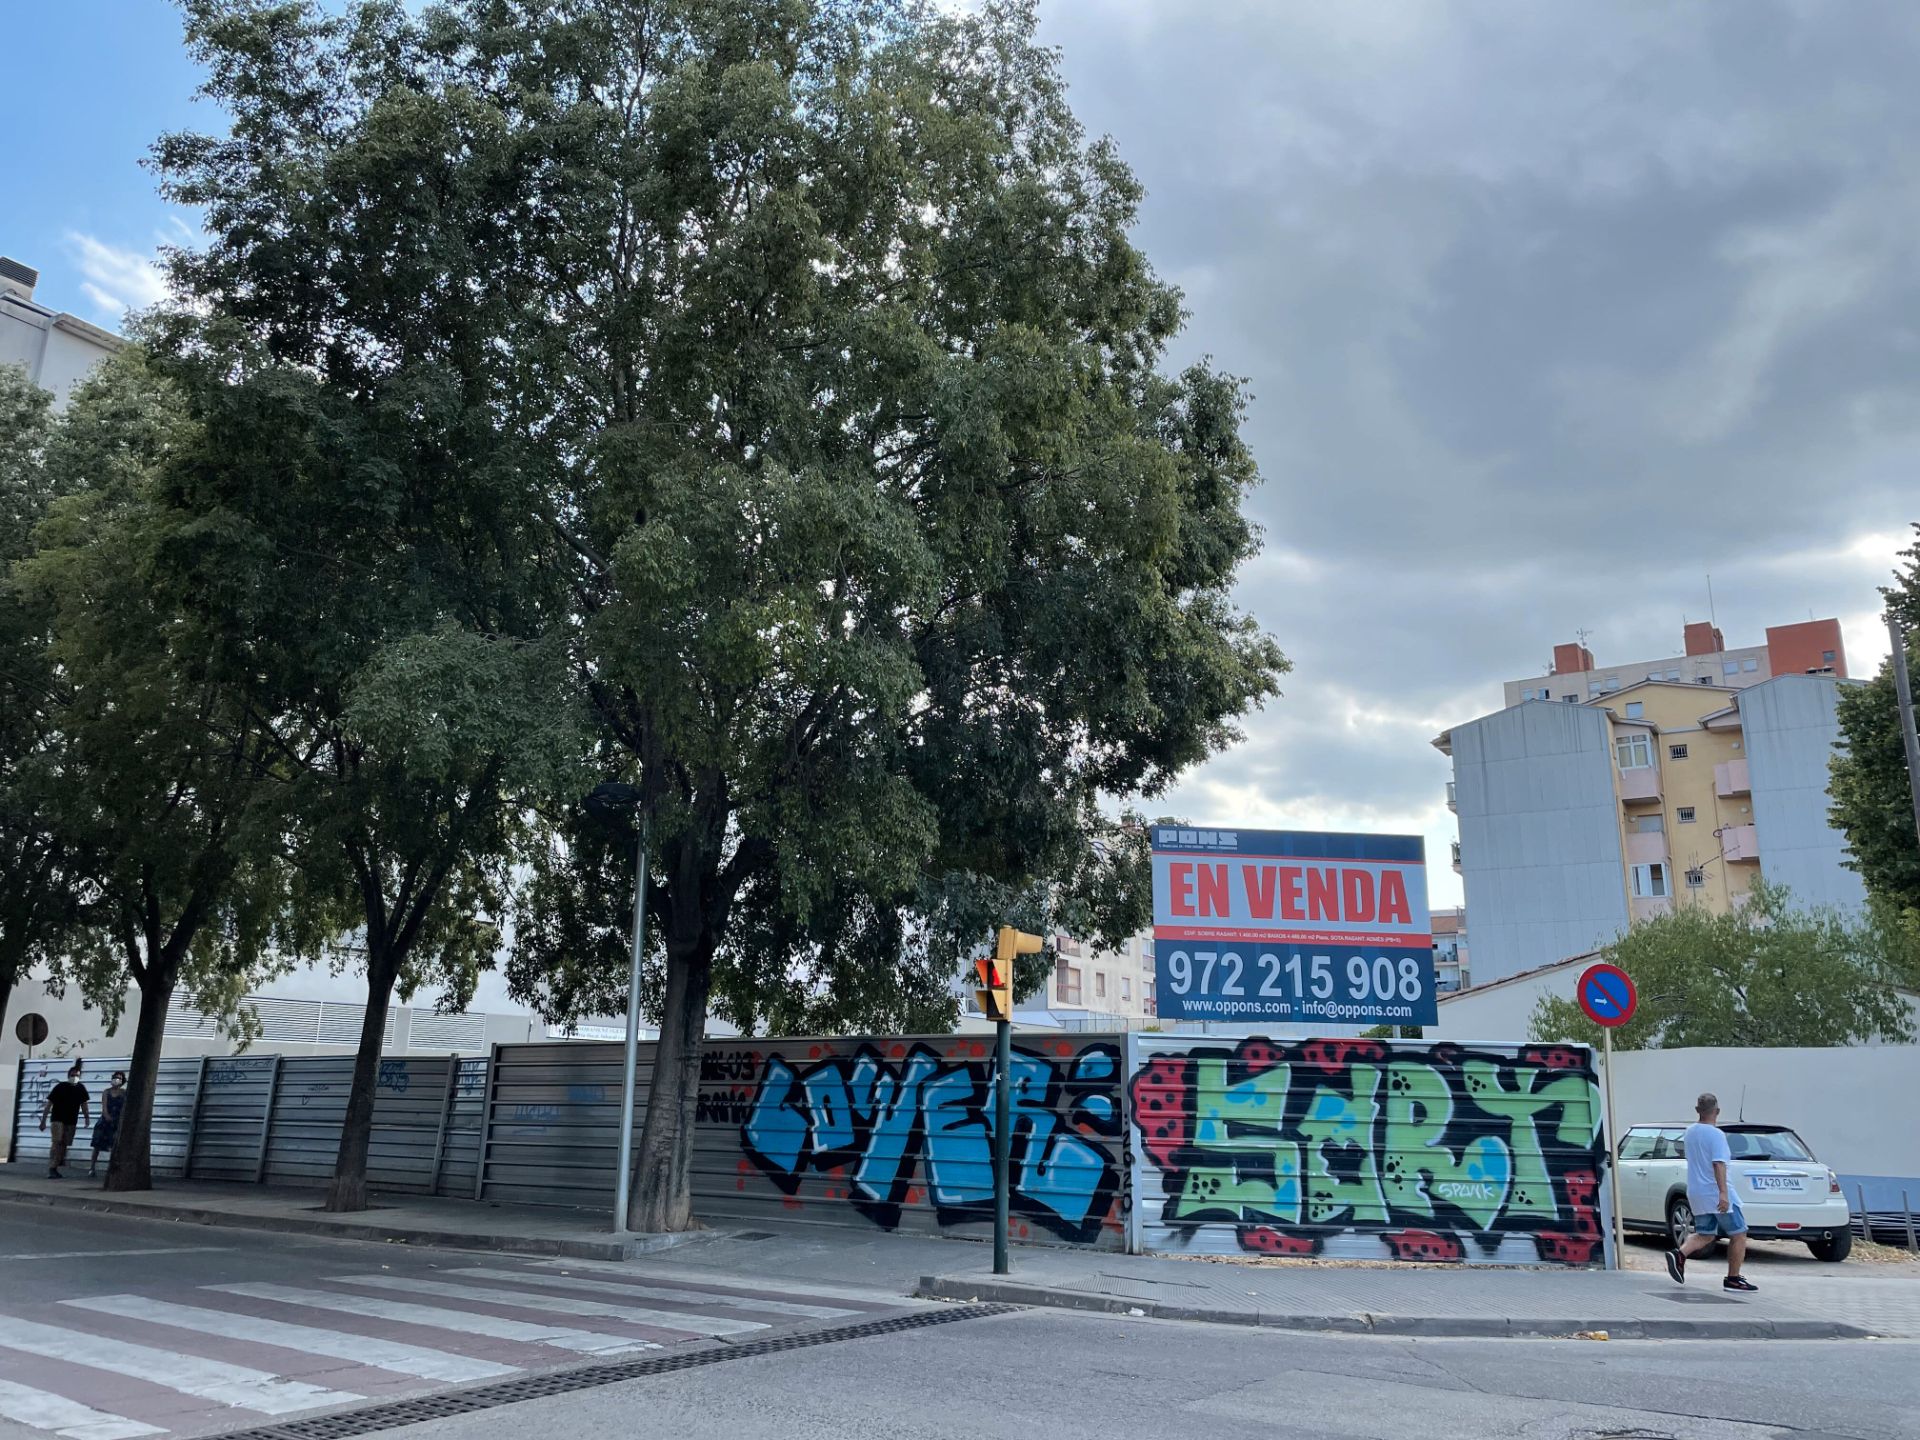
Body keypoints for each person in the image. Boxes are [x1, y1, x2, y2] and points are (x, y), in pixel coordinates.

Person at [1665, 1091, 1757, 1292]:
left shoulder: (1690, 1132)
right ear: (1717, 1111)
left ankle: (1679, 1255)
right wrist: (1723, 1193)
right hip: (1715, 1192)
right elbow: (1718, 1164)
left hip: (1696, 1191)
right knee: (1739, 1233)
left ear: (1697, 1110)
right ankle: (1733, 1279)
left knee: (1705, 1234)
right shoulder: (1716, 1135)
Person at [37, 1063, 91, 1180]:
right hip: (57, 1119)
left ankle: (56, 1166)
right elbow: (49, 1104)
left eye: (76, 1075)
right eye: (72, 1075)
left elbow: (84, 1104)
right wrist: (43, 1120)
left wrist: (87, 1118)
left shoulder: (81, 1088)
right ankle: (52, 1167)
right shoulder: (60, 1087)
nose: (74, 1077)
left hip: (71, 1121)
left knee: (64, 1144)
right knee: (57, 1142)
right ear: (68, 1075)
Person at [89, 1072, 127, 1177]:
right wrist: (107, 1116)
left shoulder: (124, 1093)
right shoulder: (106, 1092)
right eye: (115, 1077)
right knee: (97, 1145)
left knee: (115, 1146)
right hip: (104, 1121)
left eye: (119, 1078)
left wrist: (119, 1121)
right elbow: (104, 1107)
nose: (116, 1080)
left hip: (117, 1121)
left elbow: (124, 1108)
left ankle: (112, 1168)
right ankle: (92, 1167)